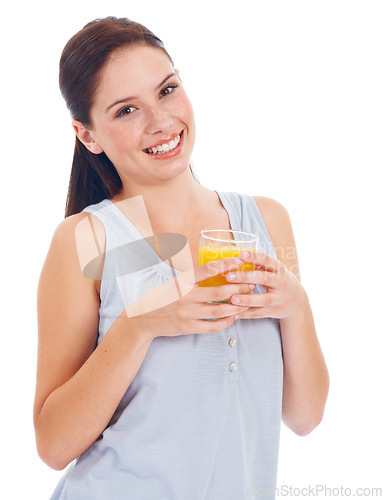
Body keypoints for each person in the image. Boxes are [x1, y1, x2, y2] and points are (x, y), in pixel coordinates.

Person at [34, 17, 329, 500]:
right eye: (126, 110)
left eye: (167, 90)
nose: (160, 122)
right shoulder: (88, 239)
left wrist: (297, 307)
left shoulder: (265, 221)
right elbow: (52, 444)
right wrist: (141, 323)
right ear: (89, 137)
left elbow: (305, 417)